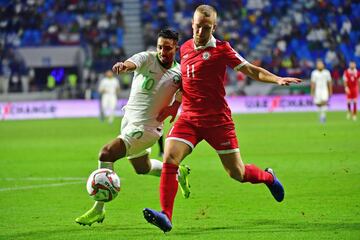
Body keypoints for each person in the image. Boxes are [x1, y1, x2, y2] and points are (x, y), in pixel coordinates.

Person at [143, 4, 302, 233]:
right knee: (169, 157)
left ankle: (268, 178)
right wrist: (173, 107)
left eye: (206, 28)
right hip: (188, 118)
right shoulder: (185, 48)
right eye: (197, 26)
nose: (200, 32)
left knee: (236, 173)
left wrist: (276, 79)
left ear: (214, 27)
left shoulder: (222, 49)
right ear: (192, 24)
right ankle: (166, 215)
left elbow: (250, 69)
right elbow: (184, 83)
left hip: (217, 121)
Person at [75, 29, 191, 226]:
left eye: (168, 48)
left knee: (106, 153)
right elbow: (132, 63)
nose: (163, 51)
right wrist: (123, 66)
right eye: (160, 47)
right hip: (129, 120)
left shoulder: (179, 73)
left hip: (147, 128)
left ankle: (98, 209)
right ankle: (178, 172)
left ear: (176, 48)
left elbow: (184, 93)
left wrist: (174, 107)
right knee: (142, 168)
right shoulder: (147, 58)